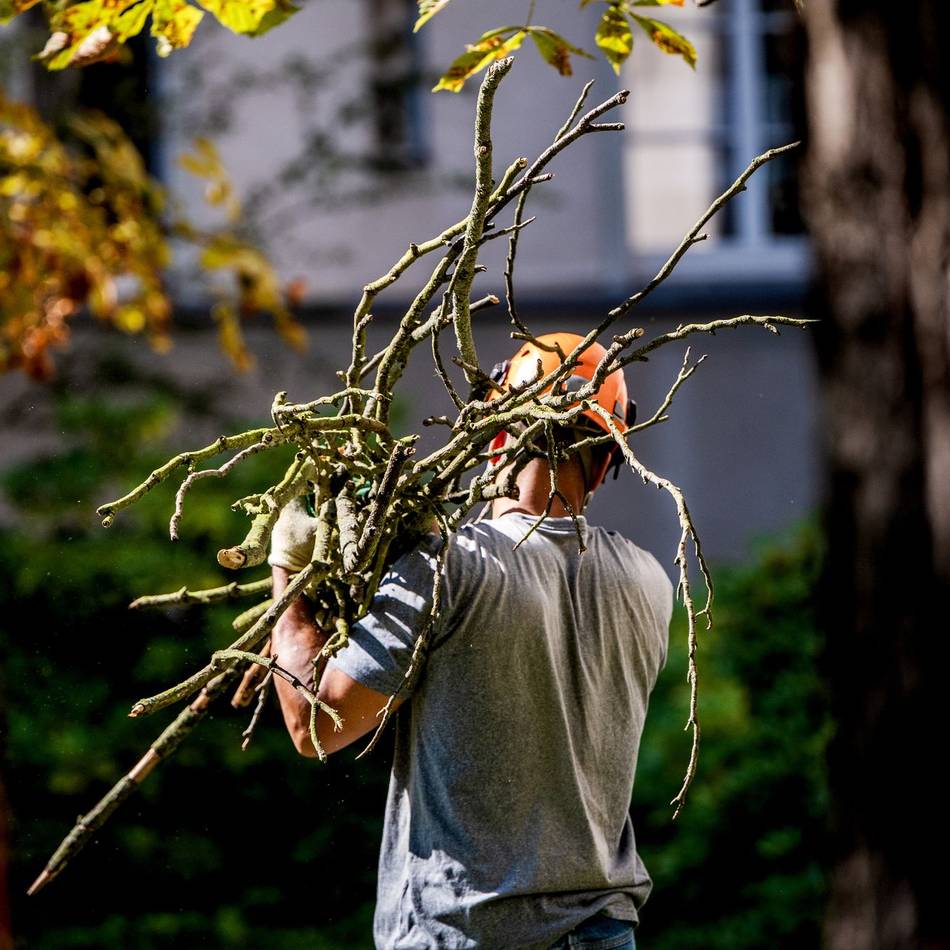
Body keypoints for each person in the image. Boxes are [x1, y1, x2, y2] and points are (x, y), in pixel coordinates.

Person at [247, 333, 673, 949]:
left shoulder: (451, 567)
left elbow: (317, 724)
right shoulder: (649, 583)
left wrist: (289, 579)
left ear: (496, 437)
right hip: (602, 933)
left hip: (464, 932)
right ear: (608, 461)